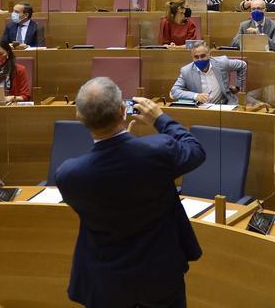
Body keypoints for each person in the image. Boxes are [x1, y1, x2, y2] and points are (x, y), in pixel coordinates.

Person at [55, 79, 204, 308]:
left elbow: (111, 181)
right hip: (159, 274)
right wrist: (160, 119)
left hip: (105, 280)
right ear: (123, 111)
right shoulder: (158, 150)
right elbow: (195, 151)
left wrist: (127, 146)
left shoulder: (69, 175)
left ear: (79, 116)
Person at [170, 41, 247, 104]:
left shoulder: (222, 63)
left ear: (210, 55)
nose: (200, 60)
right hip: (201, 108)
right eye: (196, 57)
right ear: (192, 57)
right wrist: (196, 96)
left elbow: (242, 65)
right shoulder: (186, 71)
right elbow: (174, 91)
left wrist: (238, 87)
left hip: (225, 104)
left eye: (203, 56)